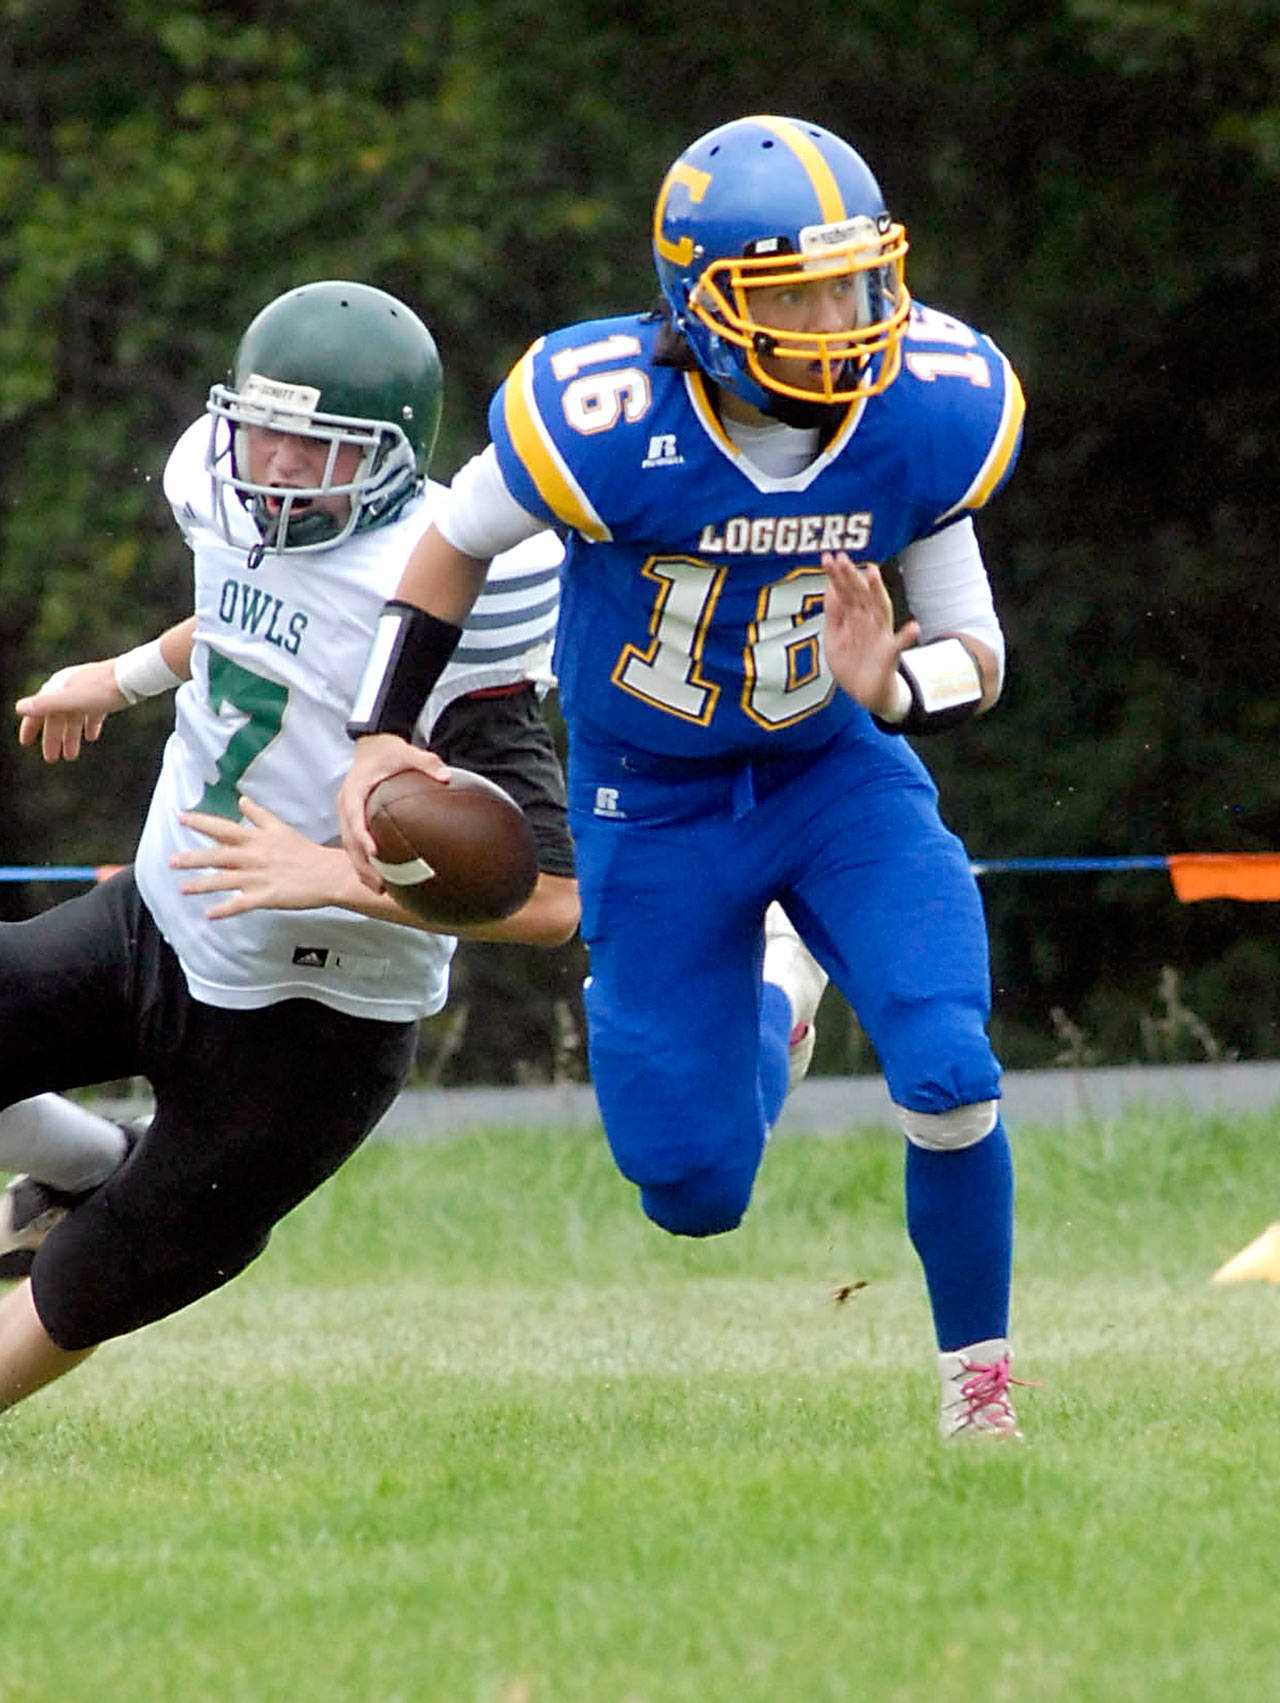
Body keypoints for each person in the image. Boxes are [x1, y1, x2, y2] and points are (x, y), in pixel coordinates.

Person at [336, 117, 1030, 1440]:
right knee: (693, 1187)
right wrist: (381, 728)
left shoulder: (930, 408)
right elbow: (449, 543)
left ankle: (981, 1396)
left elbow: (978, 651)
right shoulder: (603, 416)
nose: (844, 320)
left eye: (856, 281)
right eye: (798, 293)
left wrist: (890, 686)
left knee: (948, 1064)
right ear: (702, 302)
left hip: (838, 778)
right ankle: (775, 995)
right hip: (645, 800)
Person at [0, 279, 583, 1410]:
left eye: (312, 447)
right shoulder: (217, 493)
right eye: (259, 428)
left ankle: (95, 1192)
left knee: (99, 1278)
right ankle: (85, 1161)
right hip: (161, 921)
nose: (270, 464)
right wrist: (116, 679)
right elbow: (242, 615)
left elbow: (555, 896)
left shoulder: (455, 594)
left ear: (391, 458)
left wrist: (337, 875)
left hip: (317, 1033)